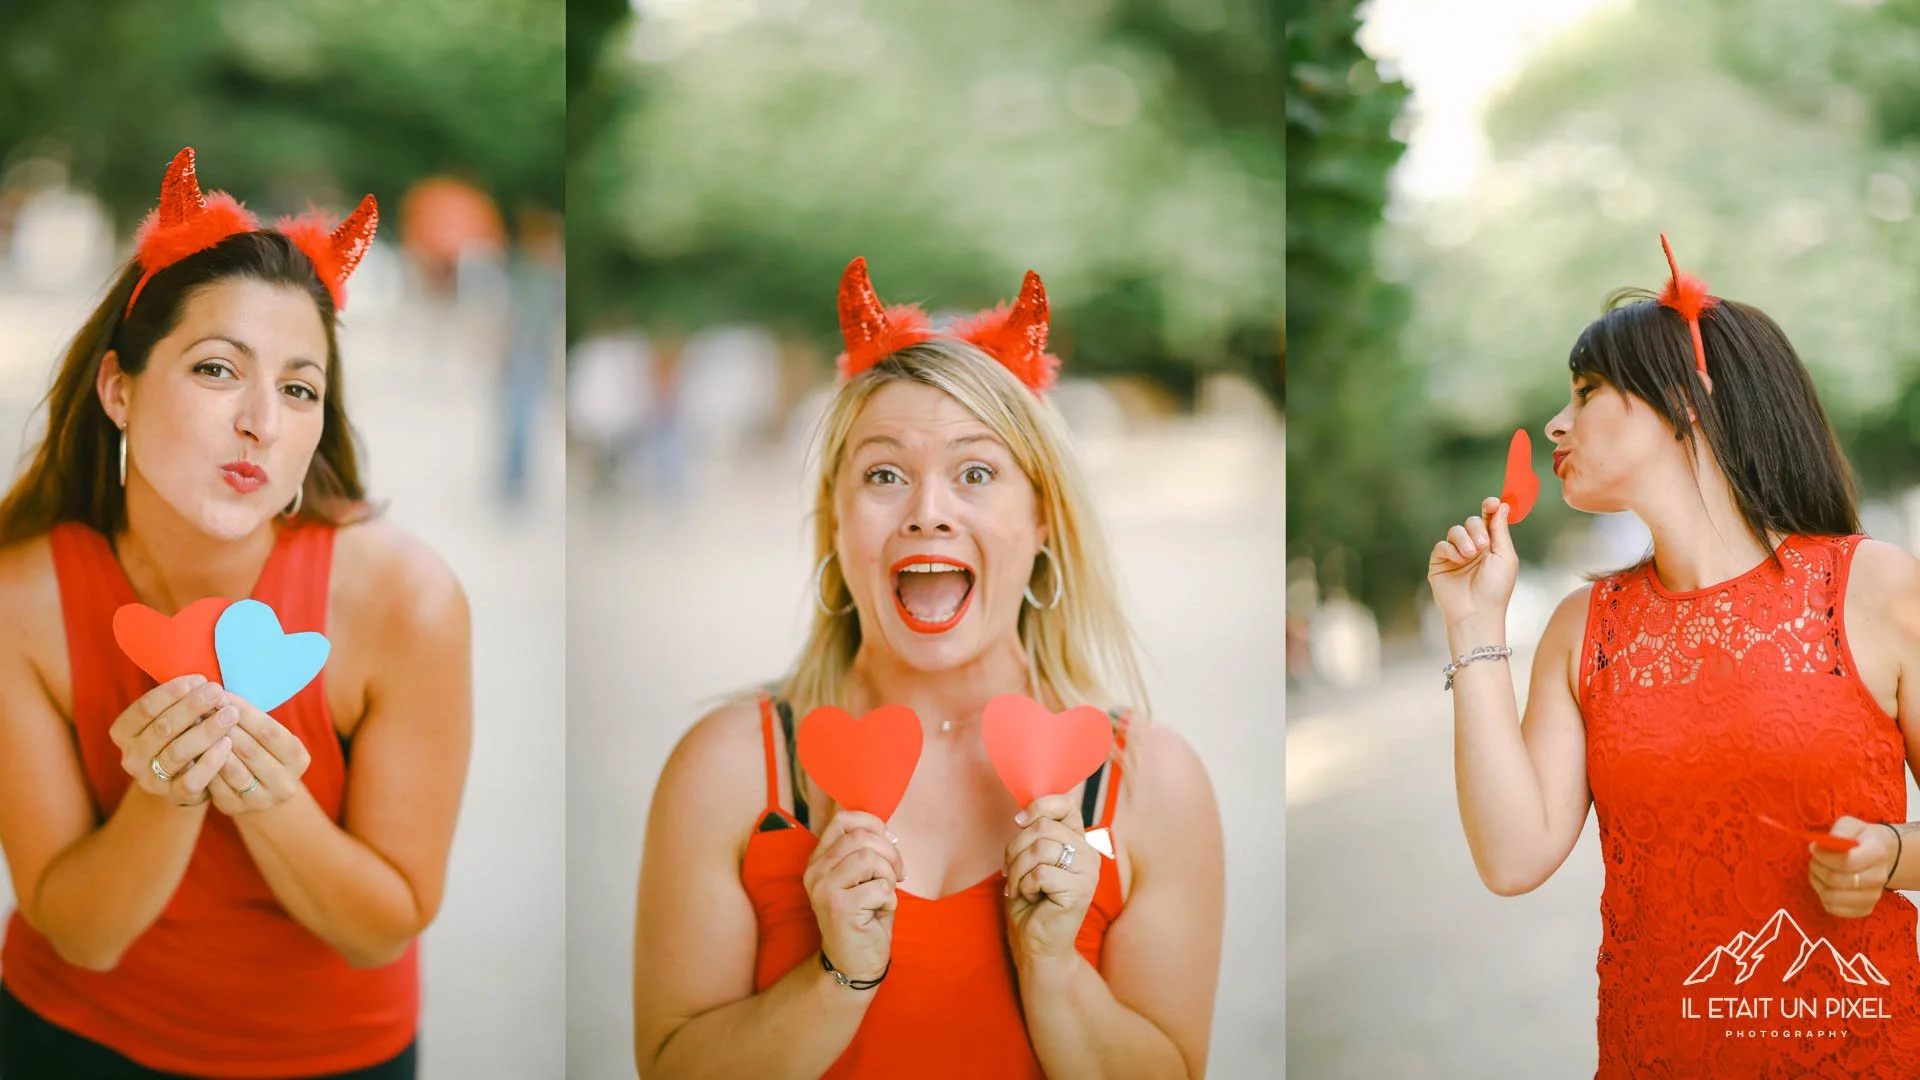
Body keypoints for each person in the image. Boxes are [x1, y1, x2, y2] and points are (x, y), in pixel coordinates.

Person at [631, 258, 1225, 1078]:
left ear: (1044, 516)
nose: (928, 511)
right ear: (836, 520)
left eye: (976, 473)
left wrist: (1054, 970)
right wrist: (838, 976)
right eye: (883, 475)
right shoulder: (727, 768)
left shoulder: (1156, 783)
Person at [0, 147, 472, 1079]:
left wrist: (267, 797)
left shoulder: (405, 603)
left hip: (334, 1056)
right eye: (219, 370)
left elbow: (384, 929)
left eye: (299, 388)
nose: (261, 418)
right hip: (72, 1039)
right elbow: (79, 934)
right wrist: (169, 790)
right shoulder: (20, 600)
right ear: (118, 390)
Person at [1429, 236, 1920, 1075]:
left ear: (1685, 401)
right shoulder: (1584, 630)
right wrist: (1474, 625)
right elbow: (1512, 859)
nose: (1555, 421)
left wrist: (1894, 853)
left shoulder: (1872, 589)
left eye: (1585, 393)